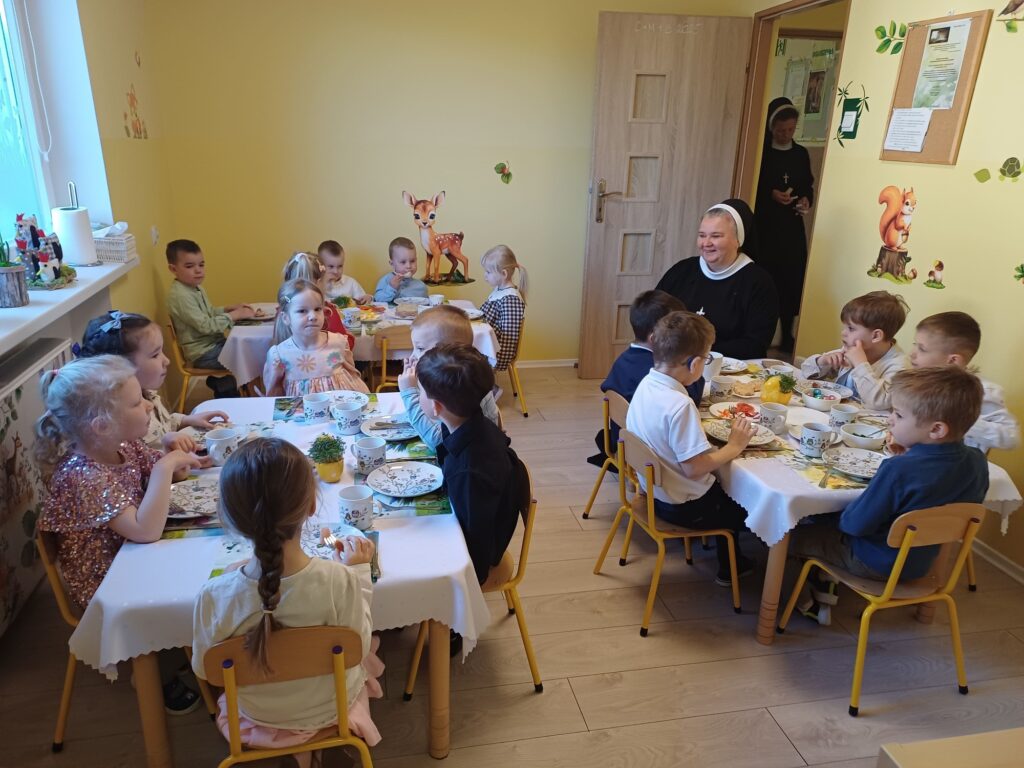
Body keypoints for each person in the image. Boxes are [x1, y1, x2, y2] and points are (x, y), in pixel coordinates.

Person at [191, 439, 383, 763]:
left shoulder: (213, 595)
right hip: (332, 707)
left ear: (228, 517)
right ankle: (323, 750)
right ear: (311, 506)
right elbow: (359, 649)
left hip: (256, 715)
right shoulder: (339, 580)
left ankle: (297, 756)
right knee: (368, 653)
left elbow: (204, 669)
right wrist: (360, 572)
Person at [35, 356, 204, 713]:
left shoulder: (123, 446)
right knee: (202, 574)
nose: (149, 406)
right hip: (107, 579)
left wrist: (175, 459)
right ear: (102, 425)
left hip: (132, 554)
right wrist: (165, 468)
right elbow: (145, 530)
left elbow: (167, 478)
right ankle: (152, 672)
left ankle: (188, 642)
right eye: (137, 402)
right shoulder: (83, 475)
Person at [789, 367, 989, 625]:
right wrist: (910, 456)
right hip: (920, 564)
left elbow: (853, 525)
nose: (890, 420)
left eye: (899, 414)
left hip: (872, 562)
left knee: (788, 532)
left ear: (937, 429)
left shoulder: (898, 470)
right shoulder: (977, 462)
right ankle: (824, 579)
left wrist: (827, 516)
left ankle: (812, 596)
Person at [625, 311, 755, 586]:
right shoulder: (680, 405)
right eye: (706, 359)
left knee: (727, 486)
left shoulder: (647, 384)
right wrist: (734, 446)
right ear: (696, 364)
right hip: (684, 507)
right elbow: (694, 469)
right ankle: (731, 567)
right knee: (749, 503)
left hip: (654, 495)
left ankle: (727, 558)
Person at [415, 344, 528, 586]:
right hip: (463, 522)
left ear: (436, 406)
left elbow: (477, 544)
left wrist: (468, 581)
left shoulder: (469, 472)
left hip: (470, 559)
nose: (417, 395)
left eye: (420, 391)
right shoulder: (472, 424)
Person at [77, 311, 229, 452]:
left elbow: (163, 425)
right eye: (155, 355)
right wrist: (170, 453)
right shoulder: (123, 419)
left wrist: (186, 419)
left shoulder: (148, 395)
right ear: (121, 368)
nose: (167, 361)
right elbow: (142, 462)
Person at [587, 290, 702, 470]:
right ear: (655, 338)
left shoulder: (626, 357)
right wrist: (696, 367)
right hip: (646, 457)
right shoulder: (655, 371)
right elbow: (692, 397)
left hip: (622, 441)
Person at [656, 200, 779, 359]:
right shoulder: (681, 271)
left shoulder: (759, 282)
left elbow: (756, 344)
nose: (706, 243)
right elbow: (654, 315)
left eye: (716, 236)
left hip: (730, 367)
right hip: (675, 362)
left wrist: (698, 352)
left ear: (738, 240)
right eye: (702, 235)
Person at [910, 311, 1019, 453]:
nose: (912, 353)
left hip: (959, 464)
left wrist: (962, 421)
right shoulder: (920, 381)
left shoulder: (983, 391)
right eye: (915, 344)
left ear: (953, 360)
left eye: (922, 349)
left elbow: (1011, 438)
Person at [755, 97, 815, 353]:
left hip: (791, 226)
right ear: (771, 127)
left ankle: (788, 332)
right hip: (766, 226)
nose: (786, 134)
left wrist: (805, 201)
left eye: (791, 129)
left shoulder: (800, 154)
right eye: (781, 130)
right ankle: (763, 331)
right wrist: (771, 194)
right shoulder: (762, 152)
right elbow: (754, 183)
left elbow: (807, 186)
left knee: (791, 278)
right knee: (766, 276)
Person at [398, 305, 501, 448]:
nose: (412, 356)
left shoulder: (459, 385)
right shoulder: (457, 374)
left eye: (420, 348)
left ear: (447, 352)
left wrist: (408, 393)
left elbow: (439, 443)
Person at [166, 239, 253, 398]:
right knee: (249, 356)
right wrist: (234, 315)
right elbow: (206, 326)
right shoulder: (180, 296)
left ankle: (226, 385)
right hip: (203, 354)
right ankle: (230, 389)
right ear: (173, 269)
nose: (198, 270)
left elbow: (209, 313)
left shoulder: (195, 288)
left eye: (201, 265)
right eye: (189, 266)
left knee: (248, 348)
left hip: (214, 345)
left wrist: (228, 309)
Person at [801, 291, 910, 410]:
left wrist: (860, 364)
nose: (843, 333)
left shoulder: (900, 365)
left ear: (875, 336)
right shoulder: (851, 350)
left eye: (851, 328)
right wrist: (823, 361)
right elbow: (805, 370)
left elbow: (879, 402)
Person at [263, 279, 368, 397]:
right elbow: (274, 394)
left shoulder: (339, 342)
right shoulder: (279, 355)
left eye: (317, 309)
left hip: (338, 405)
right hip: (300, 408)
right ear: (286, 318)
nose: (313, 316)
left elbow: (353, 378)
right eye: (302, 311)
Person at [282, 251, 354, 348]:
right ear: (319, 282)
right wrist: (350, 337)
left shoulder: (283, 312)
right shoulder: (327, 311)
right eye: (327, 281)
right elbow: (344, 346)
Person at [479, 245, 528, 372]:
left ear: (504, 274)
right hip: (486, 344)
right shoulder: (499, 290)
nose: (485, 275)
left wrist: (497, 362)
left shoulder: (510, 299)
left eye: (488, 272)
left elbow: (508, 337)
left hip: (493, 353)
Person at [374, 237, 428, 303]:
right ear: (392, 264)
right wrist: (391, 287)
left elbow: (426, 305)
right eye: (403, 262)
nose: (408, 266)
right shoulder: (387, 280)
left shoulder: (420, 286)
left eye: (412, 261)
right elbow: (377, 300)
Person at [317, 240, 372, 305]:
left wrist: (368, 298)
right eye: (331, 266)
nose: (336, 271)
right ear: (321, 265)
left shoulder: (351, 283)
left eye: (340, 266)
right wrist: (323, 284)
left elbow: (363, 301)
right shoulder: (317, 284)